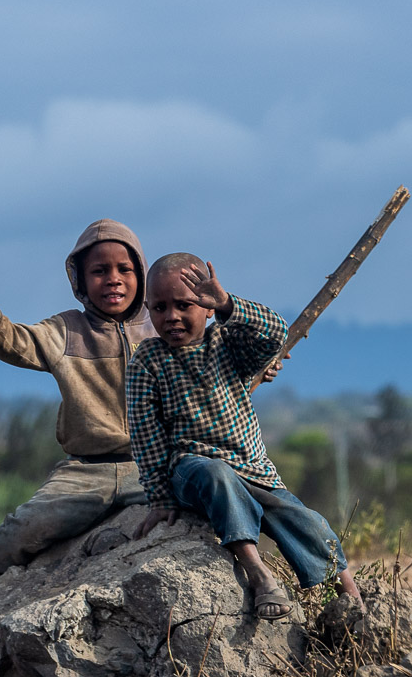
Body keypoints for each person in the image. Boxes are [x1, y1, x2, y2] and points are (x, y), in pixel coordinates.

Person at [0, 220, 154, 662]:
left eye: (124, 270)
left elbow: (212, 364)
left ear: (141, 275)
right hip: (86, 471)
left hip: (153, 467)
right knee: (24, 527)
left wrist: (258, 362)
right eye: (99, 271)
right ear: (79, 281)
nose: (113, 279)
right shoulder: (68, 330)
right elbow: (14, 342)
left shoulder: (162, 326)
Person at [125, 253, 362, 619]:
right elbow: (146, 435)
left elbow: (275, 333)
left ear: (207, 307)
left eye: (184, 305)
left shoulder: (228, 343)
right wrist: (160, 497)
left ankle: (354, 603)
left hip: (252, 468)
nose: (171, 316)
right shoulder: (148, 360)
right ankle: (258, 574)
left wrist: (227, 303)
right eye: (159, 308)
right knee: (217, 474)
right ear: (148, 310)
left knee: (307, 522)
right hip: (193, 469)